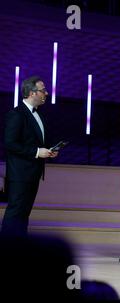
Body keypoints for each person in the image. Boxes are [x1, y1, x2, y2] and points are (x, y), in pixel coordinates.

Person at [1, 76, 58, 236]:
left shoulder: (39, 115)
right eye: (43, 90)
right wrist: (37, 152)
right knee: (15, 213)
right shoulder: (16, 114)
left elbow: (35, 141)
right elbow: (10, 144)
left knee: (23, 214)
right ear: (32, 93)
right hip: (20, 173)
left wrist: (48, 150)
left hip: (32, 173)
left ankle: (18, 249)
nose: (46, 93)